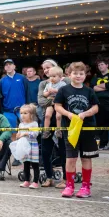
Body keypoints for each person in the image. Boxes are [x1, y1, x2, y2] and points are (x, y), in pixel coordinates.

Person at [54, 61, 99, 198]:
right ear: (69, 74)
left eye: (81, 73)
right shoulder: (64, 90)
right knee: (71, 158)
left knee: (86, 157)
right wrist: (68, 114)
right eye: (75, 73)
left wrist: (85, 114)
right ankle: (70, 186)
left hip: (88, 128)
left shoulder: (89, 91)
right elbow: (57, 106)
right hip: (71, 129)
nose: (78, 76)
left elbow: (96, 107)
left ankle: (86, 187)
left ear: (85, 75)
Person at [38, 59, 68, 188]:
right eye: (44, 69)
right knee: (45, 150)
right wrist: (56, 101)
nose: (46, 70)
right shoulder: (43, 83)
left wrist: (54, 100)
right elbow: (41, 101)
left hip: (62, 118)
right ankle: (49, 177)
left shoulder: (65, 81)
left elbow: (67, 98)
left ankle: (66, 178)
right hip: (47, 117)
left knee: (63, 149)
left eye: (48, 67)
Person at [92, 58, 109, 152]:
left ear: (107, 65)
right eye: (99, 65)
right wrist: (105, 87)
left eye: (102, 64)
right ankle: (103, 144)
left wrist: (100, 86)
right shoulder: (97, 76)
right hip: (99, 104)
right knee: (101, 125)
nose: (100, 66)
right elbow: (93, 87)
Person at [0, 59, 27, 127]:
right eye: (6, 65)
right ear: (4, 68)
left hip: (23, 109)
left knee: (25, 130)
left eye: (10, 64)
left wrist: (27, 106)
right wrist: (2, 111)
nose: (8, 66)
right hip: (8, 111)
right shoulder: (2, 81)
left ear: (14, 66)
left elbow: (27, 92)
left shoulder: (22, 77)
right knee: (12, 132)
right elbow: (0, 97)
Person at [17, 104, 40, 189]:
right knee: (25, 163)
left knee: (34, 164)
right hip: (24, 145)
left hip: (32, 145)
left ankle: (35, 182)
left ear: (31, 115)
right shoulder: (21, 124)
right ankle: (27, 180)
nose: (22, 115)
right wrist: (18, 135)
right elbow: (19, 133)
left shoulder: (34, 124)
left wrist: (26, 133)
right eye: (21, 113)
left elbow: (35, 134)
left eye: (25, 113)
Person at [42, 66, 66, 132]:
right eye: (50, 76)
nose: (52, 78)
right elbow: (44, 94)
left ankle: (59, 130)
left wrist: (56, 91)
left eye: (54, 76)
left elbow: (65, 93)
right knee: (47, 115)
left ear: (60, 77)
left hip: (59, 102)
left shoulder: (63, 84)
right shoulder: (48, 85)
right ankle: (46, 131)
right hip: (50, 102)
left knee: (58, 116)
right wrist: (48, 92)